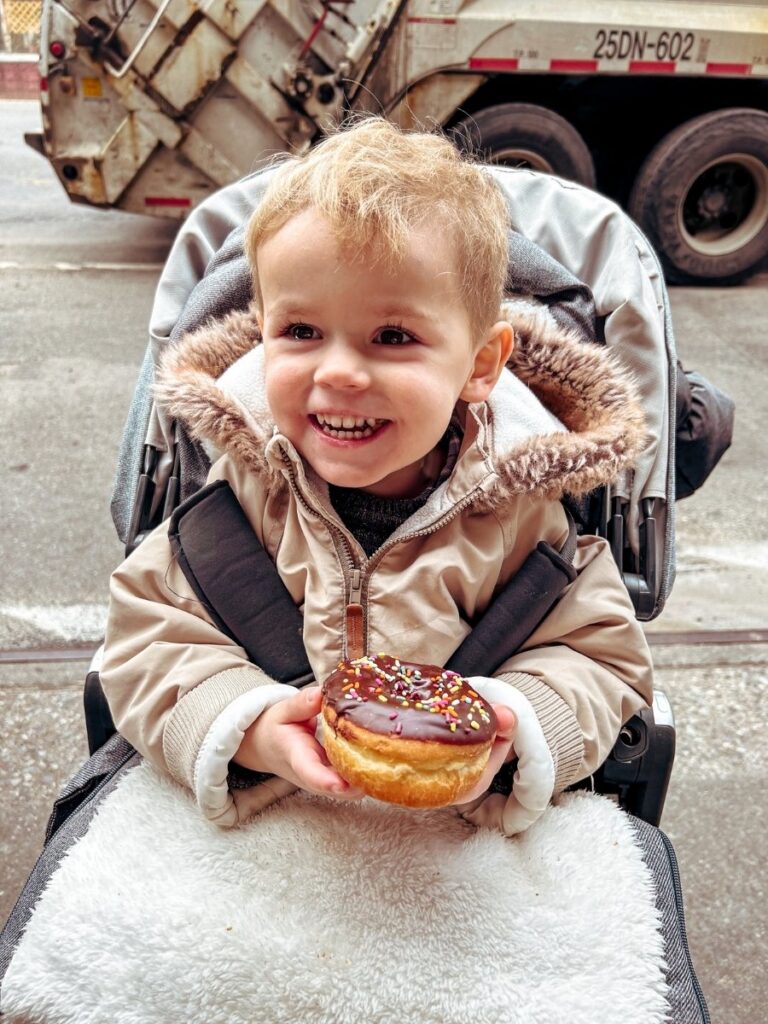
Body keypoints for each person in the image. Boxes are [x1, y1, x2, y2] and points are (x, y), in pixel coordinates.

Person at [100, 117, 653, 834]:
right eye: (300, 332)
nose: (337, 371)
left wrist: (517, 723)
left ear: (481, 365)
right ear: (261, 330)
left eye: (393, 337)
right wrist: (248, 725)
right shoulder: (236, 501)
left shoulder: (522, 519)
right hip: (271, 813)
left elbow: (600, 655)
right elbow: (148, 639)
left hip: (456, 830)